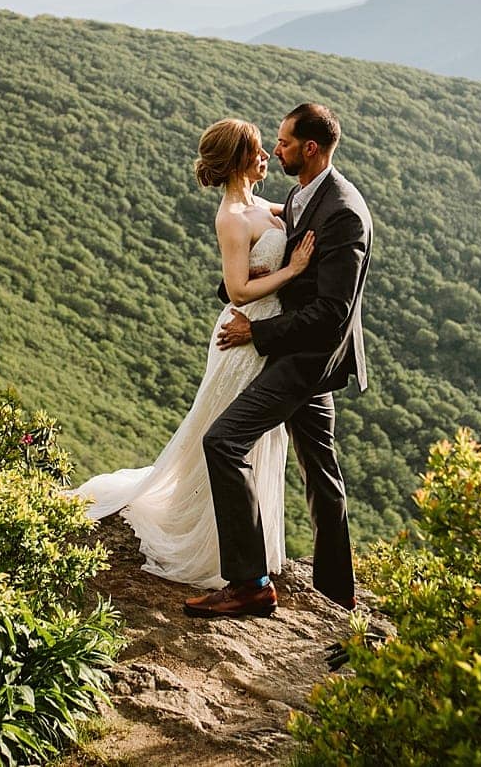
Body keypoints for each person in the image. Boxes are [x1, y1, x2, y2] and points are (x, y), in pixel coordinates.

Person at [68, 118, 315, 588]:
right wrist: (295, 269)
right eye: (259, 150)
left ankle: (245, 547)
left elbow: (302, 213)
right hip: (242, 333)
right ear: (240, 160)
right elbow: (239, 291)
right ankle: (214, 546)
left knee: (248, 438)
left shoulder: (262, 205)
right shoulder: (231, 217)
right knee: (225, 433)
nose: (266, 156)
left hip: (264, 333)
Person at [184, 102, 372, 620]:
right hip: (293, 351)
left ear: (310, 148)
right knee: (322, 474)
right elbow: (259, 260)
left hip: (305, 359)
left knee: (223, 442)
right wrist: (235, 291)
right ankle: (338, 596)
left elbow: (331, 314)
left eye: (285, 142)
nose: (276, 149)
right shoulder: (301, 194)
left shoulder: (344, 211)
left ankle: (249, 584)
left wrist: (257, 331)